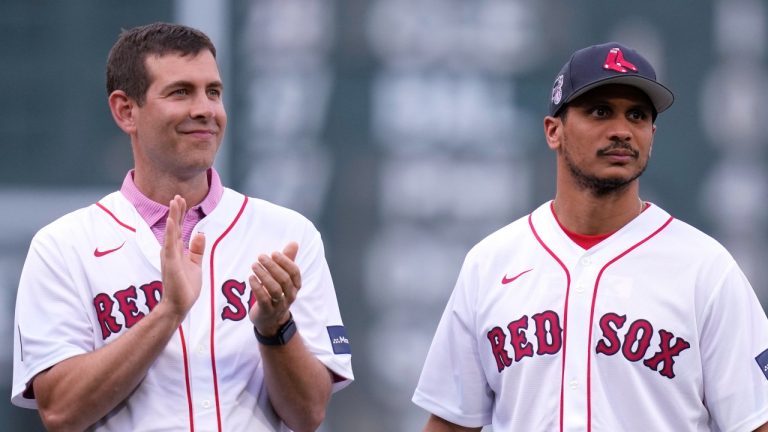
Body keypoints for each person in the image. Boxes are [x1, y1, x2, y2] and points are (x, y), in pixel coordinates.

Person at [11, 22, 353, 432]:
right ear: (125, 111)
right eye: (180, 92)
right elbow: (61, 412)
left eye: (213, 92)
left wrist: (275, 327)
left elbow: (309, 414)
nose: (205, 109)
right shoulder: (63, 246)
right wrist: (167, 312)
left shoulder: (288, 236)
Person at [412, 42, 768, 431]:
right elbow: (451, 422)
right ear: (554, 131)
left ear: (652, 133)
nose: (621, 131)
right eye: (600, 112)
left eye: (637, 115)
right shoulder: (491, 263)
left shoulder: (706, 269)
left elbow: (754, 421)